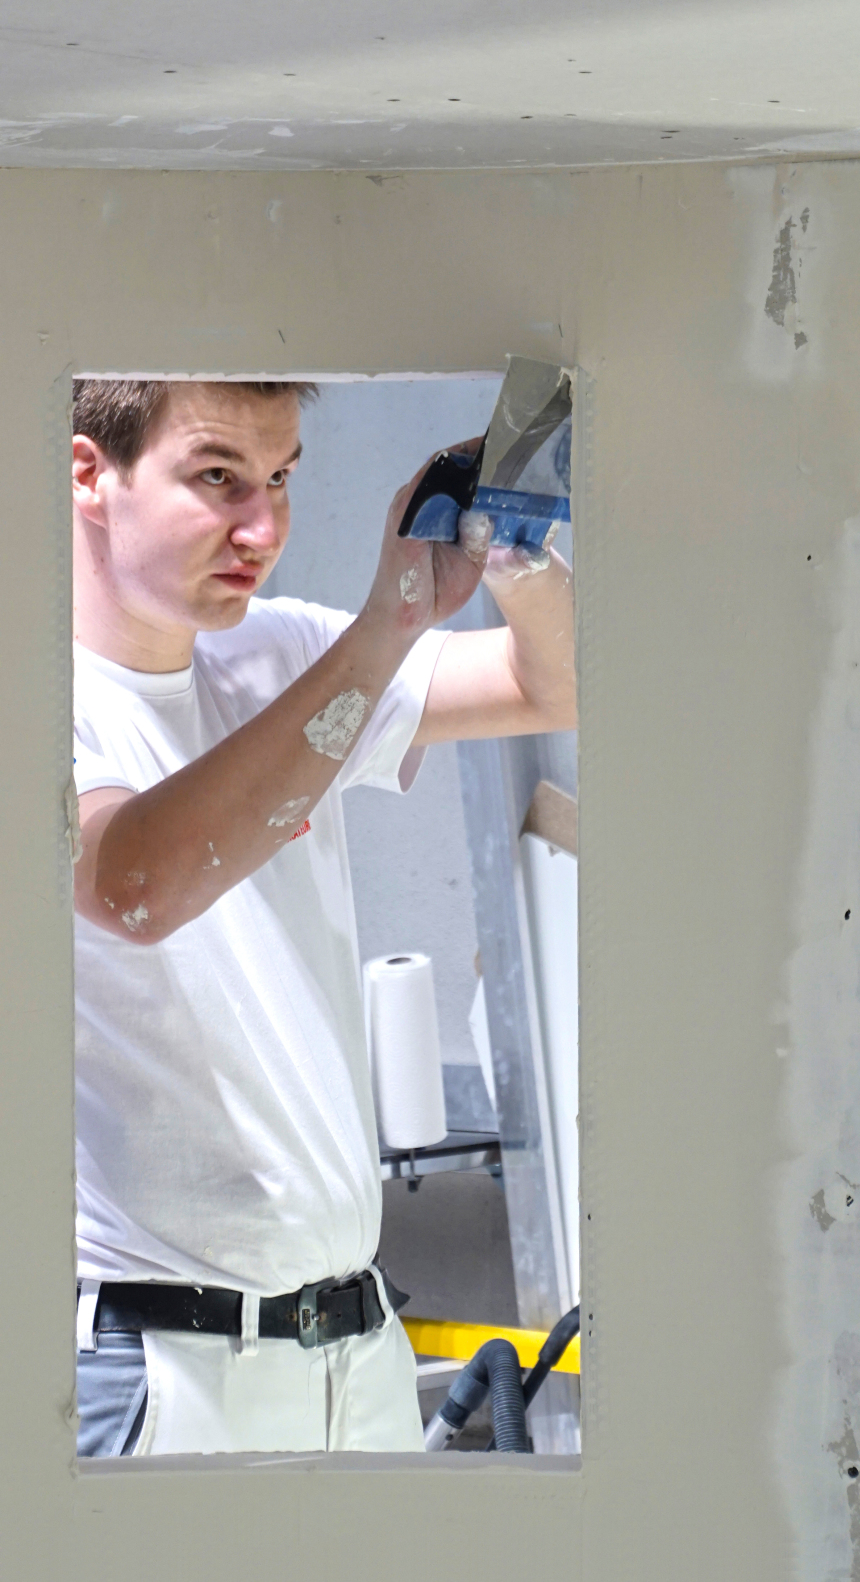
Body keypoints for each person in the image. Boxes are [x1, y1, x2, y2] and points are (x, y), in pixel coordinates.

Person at [69, 378, 576, 1457]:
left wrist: (513, 558)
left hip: (355, 1349)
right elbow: (135, 881)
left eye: (283, 478)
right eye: (217, 478)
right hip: (163, 1369)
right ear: (87, 476)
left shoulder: (284, 654)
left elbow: (553, 685)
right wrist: (387, 624)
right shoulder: (52, 702)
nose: (262, 526)